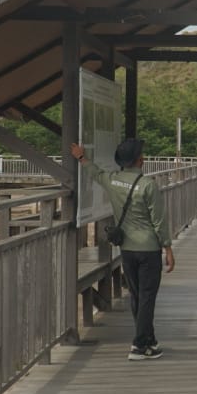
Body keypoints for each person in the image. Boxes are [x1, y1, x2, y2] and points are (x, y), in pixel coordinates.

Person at [67, 138, 175, 360]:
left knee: (137, 295)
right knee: (147, 297)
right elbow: (159, 221)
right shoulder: (148, 185)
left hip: (126, 248)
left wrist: (81, 157)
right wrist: (168, 248)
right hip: (148, 248)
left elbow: (95, 172)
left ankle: (149, 341)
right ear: (139, 160)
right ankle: (138, 345)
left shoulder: (113, 180)